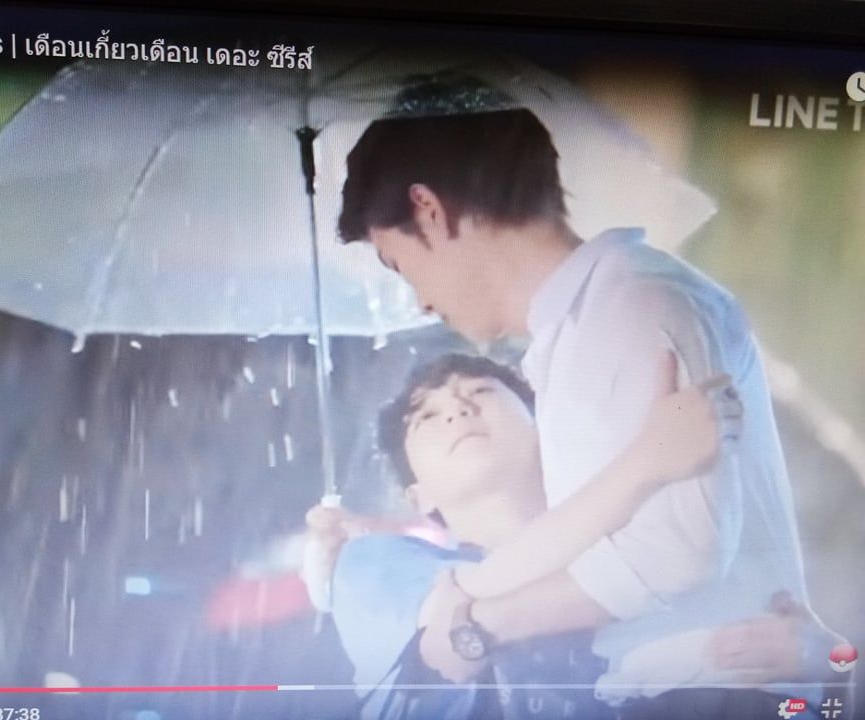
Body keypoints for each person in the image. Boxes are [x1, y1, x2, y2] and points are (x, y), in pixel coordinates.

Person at [334, 74, 838, 717]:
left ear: (430, 212)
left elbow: (678, 548)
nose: (422, 302)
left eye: (401, 266)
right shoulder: (578, 332)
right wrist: (463, 591)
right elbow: (593, 526)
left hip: (710, 695)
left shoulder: (634, 305)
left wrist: (481, 620)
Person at [308, 353, 808, 720]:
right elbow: (449, 632)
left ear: (541, 426)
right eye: (427, 417)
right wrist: (648, 463)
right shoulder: (370, 564)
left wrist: (806, 676)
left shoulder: (652, 546)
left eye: (480, 392)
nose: (458, 411)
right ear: (418, 497)